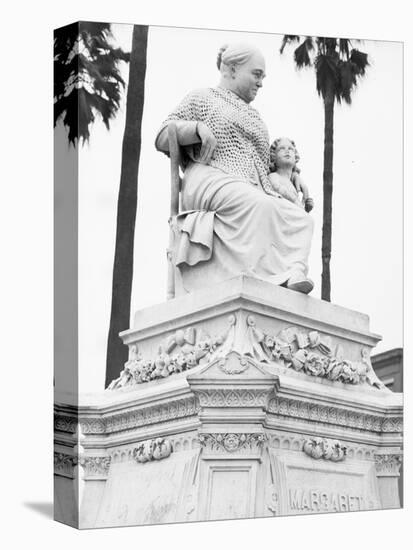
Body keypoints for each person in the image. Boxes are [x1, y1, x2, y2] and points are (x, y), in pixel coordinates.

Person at [155, 42, 314, 295]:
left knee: (302, 220)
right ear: (231, 69)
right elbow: (164, 136)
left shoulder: (256, 116)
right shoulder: (203, 97)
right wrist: (195, 128)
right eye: (256, 74)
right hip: (210, 176)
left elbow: (266, 167)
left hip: (253, 186)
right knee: (259, 205)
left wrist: (293, 175)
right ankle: (261, 278)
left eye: (263, 77)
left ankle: (291, 273)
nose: (261, 82)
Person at [268, 137, 314, 213]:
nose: (287, 151)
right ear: (274, 157)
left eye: (290, 149)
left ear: (295, 157)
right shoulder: (274, 176)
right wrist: (297, 203)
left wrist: (306, 209)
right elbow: (277, 188)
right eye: (281, 149)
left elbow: (296, 211)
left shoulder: (292, 184)